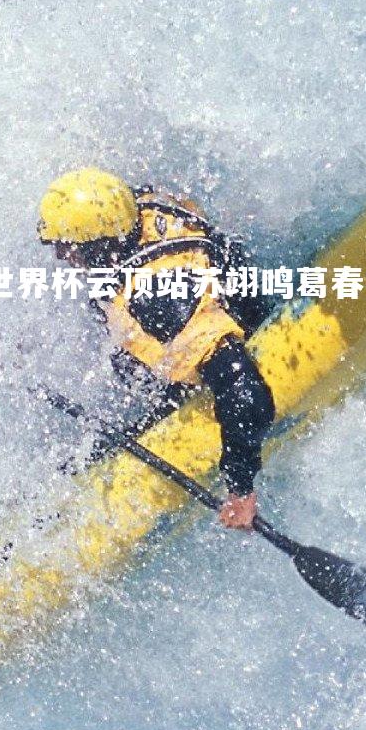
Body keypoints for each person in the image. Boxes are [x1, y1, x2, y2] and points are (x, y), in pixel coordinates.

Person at [36, 167, 277, 530]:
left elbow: (244, 392)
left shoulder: (158, 300)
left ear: (98, 246)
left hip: (223, 346)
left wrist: (240, 489)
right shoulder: (139, 206)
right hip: (216, 298)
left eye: (67, 249)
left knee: (103, 431)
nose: (60, 257)